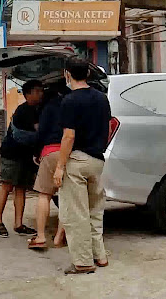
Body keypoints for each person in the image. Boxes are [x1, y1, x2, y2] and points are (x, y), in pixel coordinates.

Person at [53, 59, 111, 275]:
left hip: (77, 161)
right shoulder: (101, 98)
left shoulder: (69, 101)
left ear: (66, 74)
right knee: (95, 210)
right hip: (97, 160)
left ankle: (83, 262)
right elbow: (107, 127)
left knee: (76, 213)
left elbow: (68, 137)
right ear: (87, 72)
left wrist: (60, 167)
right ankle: (100, 256)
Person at [0, 80, 44, 238]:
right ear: (28, 93)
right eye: (37, 91)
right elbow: (39, 130)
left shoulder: (36, 109)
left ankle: (18, 224)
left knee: (21, 188)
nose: (40, 93)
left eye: (41, 90)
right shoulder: (24, 110)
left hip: (25, 156)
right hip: (12, 154)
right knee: (6, 186)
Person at [27, 88, 67, 250]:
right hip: (68, 152)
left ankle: (41, 236)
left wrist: (37, 153)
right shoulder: (70, 105)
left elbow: (41, 133)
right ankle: (59, 237)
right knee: (66, 196)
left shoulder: (48, 108)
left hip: (50, 152)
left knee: (44, 195)